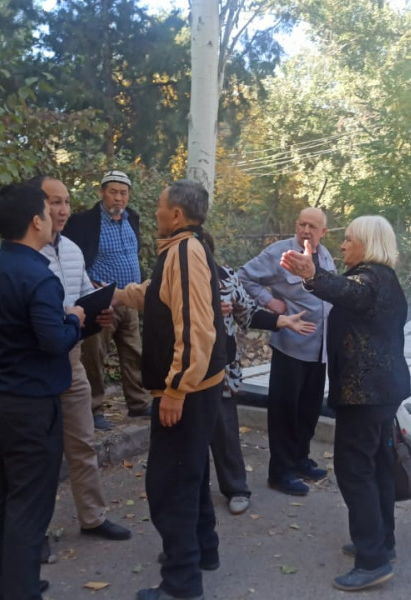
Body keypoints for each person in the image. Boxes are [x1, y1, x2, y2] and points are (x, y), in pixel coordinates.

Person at [0, 183, 84, 600]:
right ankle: (20, 590)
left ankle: (7, 584)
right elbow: (53, 341)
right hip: (31, 405)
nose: (54, 218)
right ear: (35, 221)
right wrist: (75, 319)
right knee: (29, 504)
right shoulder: (39, 278)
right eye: (49, 211)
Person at [279, 215, 411, 592]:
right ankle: (381, 541)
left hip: (365, 395)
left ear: (367, 243)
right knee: (378, 467)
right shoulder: (385, 278)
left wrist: (312, 274)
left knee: (355, 471)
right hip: (381, 392)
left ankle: (372, 561)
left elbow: (349, 292)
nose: (342, 245)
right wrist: (316, 276)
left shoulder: (369, 279)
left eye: (349, 239)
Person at [112, 180, 226, 600]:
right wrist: (114, 296)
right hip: (198, 386)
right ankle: (202, 551)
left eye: (160, 207)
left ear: (176, 214)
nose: (155, 212)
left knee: (170, 483)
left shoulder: (185, 251)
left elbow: (195, 327)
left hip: (188, 389)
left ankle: (181, 584)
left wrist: (176, 389)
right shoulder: (182, 249)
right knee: (189, 472)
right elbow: (159, 295)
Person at [31, 175, 133, 542]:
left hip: (71, 362)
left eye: (66, 202)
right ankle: (34, 533)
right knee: (38, 454)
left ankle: (93, 517)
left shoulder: (73, 250)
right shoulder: (22, 255)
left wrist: (98, 313)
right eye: (54, 202)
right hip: (34, 365)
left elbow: (84, 296)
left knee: (83, 443)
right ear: (36, 208)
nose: (62, 210)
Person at [200, 232, 317, 516]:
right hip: (184, 369)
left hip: (221, 368)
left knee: (225, 432)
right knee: (188, 437)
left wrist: (281, 320)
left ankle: (236, 489)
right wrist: (207, 309)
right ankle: (191, 491)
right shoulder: (175, 280)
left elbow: (248, 313)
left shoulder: (226, 277)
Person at [237, 207, 336, 496]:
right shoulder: (280, 253)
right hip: (291, 346)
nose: (306, 230)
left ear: (323, 232)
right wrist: (270, 302)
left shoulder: (326, 256)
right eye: (302, 224)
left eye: (312, 226)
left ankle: (300, 460)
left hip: (320, 349)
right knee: (284, 411)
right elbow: (243, 277)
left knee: (308, 410)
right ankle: (280, 472)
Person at [62, 170, 150, 430]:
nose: (118, 198)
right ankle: (93, 409)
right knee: (94, 356)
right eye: (113, 192)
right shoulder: (84, 222)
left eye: (123, 193)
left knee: (133, 352)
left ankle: (138, 403)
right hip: (100, 301)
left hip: (129, 298)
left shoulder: (132, 218)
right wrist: (88, 283)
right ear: (102, 192)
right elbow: (72, 257)